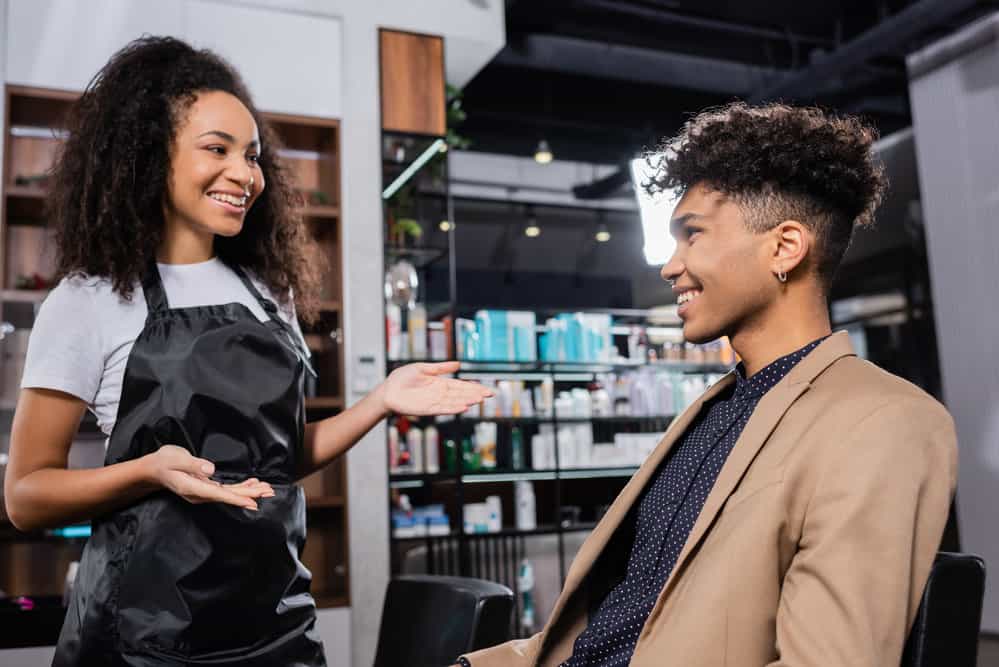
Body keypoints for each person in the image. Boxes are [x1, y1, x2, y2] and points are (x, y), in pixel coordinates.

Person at [2, 36, 490, 666]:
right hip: (143, 639)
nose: (245, 173)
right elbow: (26, 495)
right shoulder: (90, 300)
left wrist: (380, 401)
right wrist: (148, 471)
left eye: (253, 155)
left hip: (276, 623)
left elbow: (279, 461)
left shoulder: (265, 292)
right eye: (217, 149)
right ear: (151, 153)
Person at [458, 103, 957, 666]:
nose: (669, 267)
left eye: (691, 236)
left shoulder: (885, 421)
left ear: (785, 247)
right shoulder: (714, 409)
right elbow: (621, 620)